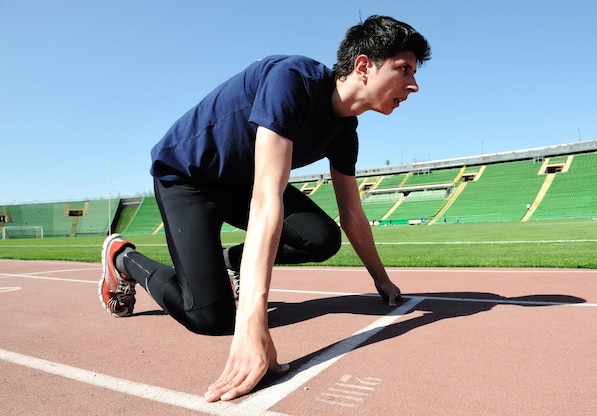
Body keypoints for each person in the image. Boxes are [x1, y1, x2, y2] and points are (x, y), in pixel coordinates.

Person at [98, 15, 431, 402]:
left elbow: (352, 216)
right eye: (404, 68)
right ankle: (124, 259)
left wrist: (382, 281)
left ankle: (228, 262)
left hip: (240, 183)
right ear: (363, 66)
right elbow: (267, 197)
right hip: (187, 179)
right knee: (210, 319)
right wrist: (251, 323)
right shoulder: (291, 81)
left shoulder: (346, 131)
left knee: (322, 239)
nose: (414, 84)